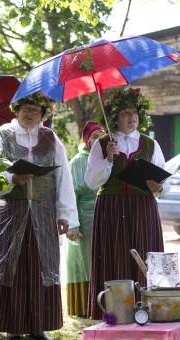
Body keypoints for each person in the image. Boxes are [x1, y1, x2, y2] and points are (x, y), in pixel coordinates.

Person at [0, 92, 79, 340]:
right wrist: (12, 178)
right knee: (10, 264)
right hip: (10, 210)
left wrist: (65, 213)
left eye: (35, 110)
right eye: (25, 108)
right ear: (16, 110)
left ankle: (38, 325)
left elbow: (63, 178)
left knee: (40, 265)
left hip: (44, 211)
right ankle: (12, 326)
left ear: (43, 114)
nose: (29, 113)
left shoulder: (51, 138)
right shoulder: (1, 136)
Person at [84, 87, 167, 321]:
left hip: (143, 208)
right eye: (125, 113)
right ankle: (115, 312)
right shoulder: (102, 144)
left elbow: (163, 180)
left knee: (145, 254)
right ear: (115, 118)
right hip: (112, 208)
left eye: (135, 113)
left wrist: (158, 188)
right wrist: (108, 159)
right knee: (114, 256)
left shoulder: (150, 144)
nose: (131, 118)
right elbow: (91, 181)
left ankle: (149, 310)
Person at [65, 121, 105, 317]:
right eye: (94, 137)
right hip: (84, 220)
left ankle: (106, 303)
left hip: (107, 217)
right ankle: (85, 305)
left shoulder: (108, 159)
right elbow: (70, 194)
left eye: (101, 137)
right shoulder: (78, 162)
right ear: (87, 140)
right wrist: (73, 224)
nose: (98, 142)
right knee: (85, 261)